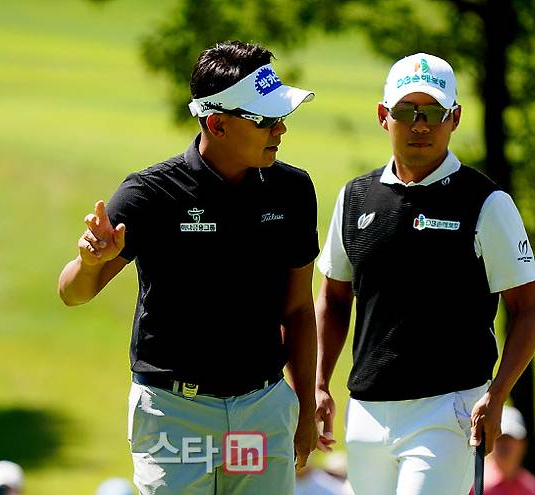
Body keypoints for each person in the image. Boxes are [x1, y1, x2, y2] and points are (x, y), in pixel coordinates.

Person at [59, 40, 323, 494]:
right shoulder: (150, 193)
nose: (280, 129)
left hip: (260, 410)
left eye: (282, 116)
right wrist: (89, 262)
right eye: (265, 119)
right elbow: (73, 292)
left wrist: (302, 410)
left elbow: (298, 309)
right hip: (175, 416)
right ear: (217, 124)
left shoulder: (292, 190)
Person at [315, 52, 535, 495]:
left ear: (454, 118)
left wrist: (497, 395)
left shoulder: (486, 202)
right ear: (383, 116)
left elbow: (528, 309)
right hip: (367, 411)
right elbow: (334, 299)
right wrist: (319, 384)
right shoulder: (354, 197)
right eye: (406, 111)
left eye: (433, 113)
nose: (420, 125)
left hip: (449, 410)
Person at [470, 405, 535, 494]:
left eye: (510, 437)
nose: (504, 444)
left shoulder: (531, 486)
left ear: (523, 444)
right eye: (499, 437)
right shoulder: (472, 484)